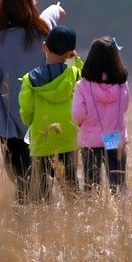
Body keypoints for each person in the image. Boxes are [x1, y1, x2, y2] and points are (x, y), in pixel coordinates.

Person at [0, 0, 65, 202]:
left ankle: (29, 230)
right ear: (31, 7)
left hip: (13, 130)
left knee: (25, 189)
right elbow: (52, 14)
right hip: (47, 125)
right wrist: (57, 9)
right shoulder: (45, 33)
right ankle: (48, 229)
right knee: (46, 183)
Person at [19, 25, 83, 200]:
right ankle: (74, 222)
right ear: (70, 52)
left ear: (44, 47)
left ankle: (44, 222)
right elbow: (86, 82)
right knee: (71, 188)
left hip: (41, 138)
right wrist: (76, 61)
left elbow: (26, 112)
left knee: (40, 190)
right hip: (68, 138)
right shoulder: (75, 75)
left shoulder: (29, 79)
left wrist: (31, 123)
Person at [71, 37, 130, 194]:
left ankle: (94, 216)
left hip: (91, 140)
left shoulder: (82, 85)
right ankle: (119, 214)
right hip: (114, 138)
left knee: (92, 184)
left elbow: (77, 114)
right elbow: (124, 107)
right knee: (118, 182)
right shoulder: (121, 83)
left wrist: (85, 125)